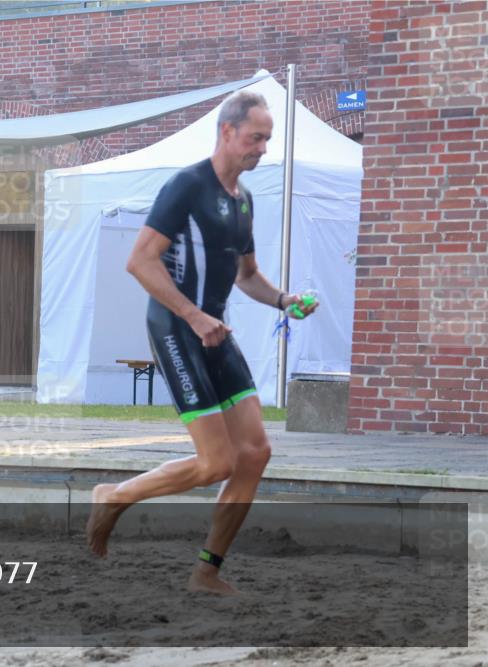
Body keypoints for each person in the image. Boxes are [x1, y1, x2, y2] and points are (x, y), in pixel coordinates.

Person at [86, 90, 319, 595]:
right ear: (227, 132)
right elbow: (140, 262)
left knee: (254, 453)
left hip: (215, 330)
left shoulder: (244, 201)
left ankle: (206, 572)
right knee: (216, 462)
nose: (262, 148)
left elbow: (247, 276)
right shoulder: (187, 186)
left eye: (267, 140)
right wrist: (192, 317)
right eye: (256, 137)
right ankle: (114, 495)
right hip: (176, 329)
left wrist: (284, 300)